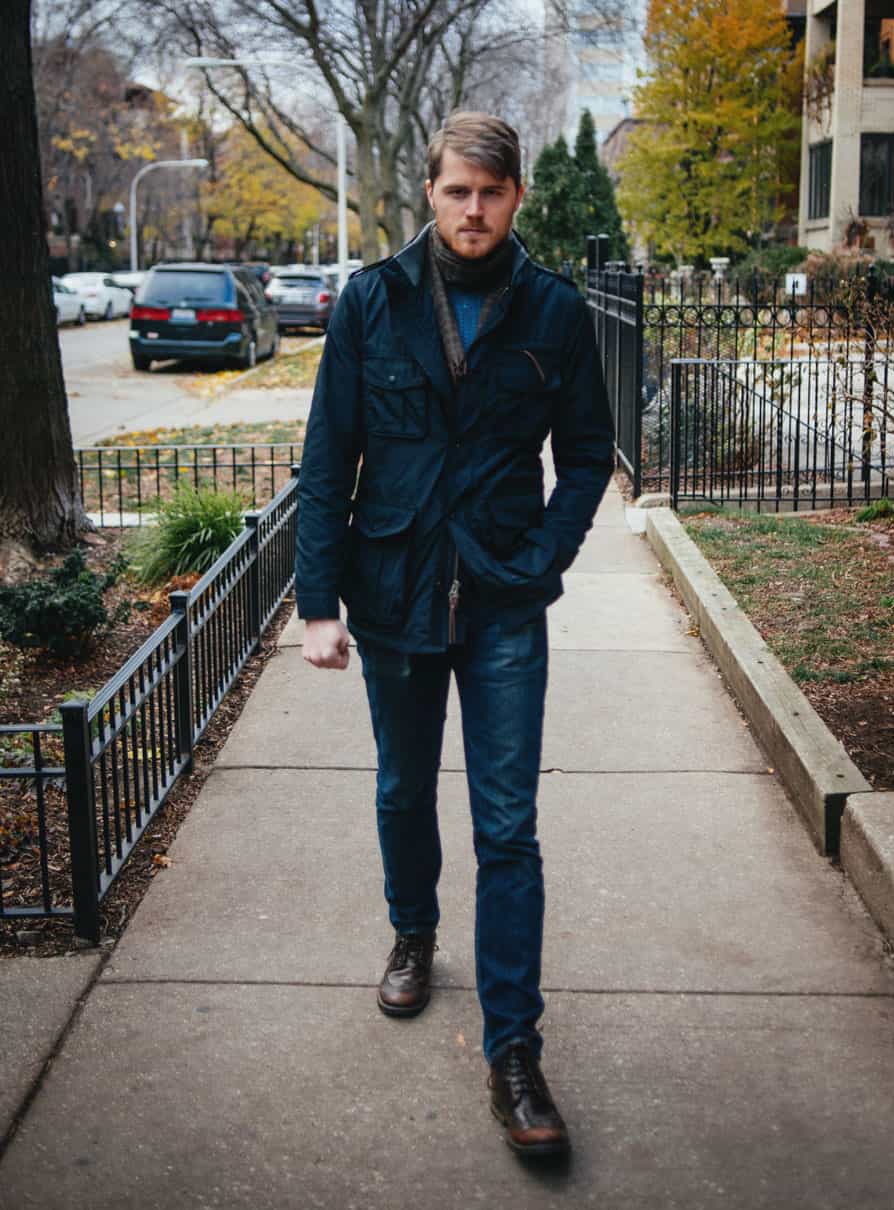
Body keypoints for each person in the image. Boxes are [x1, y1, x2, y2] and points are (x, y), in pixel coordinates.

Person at [295, 111, 614, 1158]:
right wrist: (316, 604)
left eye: (490, 191)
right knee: (400, 788)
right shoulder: (373, 303)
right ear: (427, 195)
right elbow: (327, 459)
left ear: (516, 196)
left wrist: (545, 558)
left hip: (505, 602)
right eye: (455, 191)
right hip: (391, 593)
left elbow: (588, 456)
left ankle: (513, 1048)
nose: (472, 209)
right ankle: (414, 930)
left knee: (508, 825)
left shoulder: (555, 311)